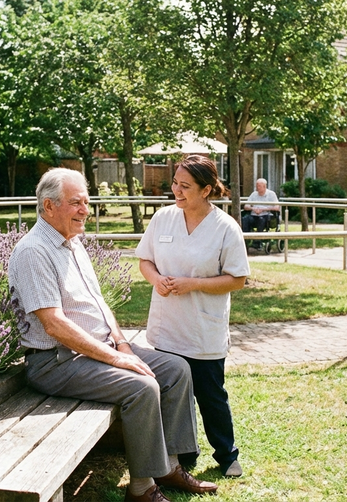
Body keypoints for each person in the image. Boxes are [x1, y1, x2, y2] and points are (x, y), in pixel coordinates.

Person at [8, 168, 217, 502]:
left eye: (86, 202)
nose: (85, 210)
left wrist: (121, 344)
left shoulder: (73, 243)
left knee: (176, 370)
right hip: (56, 363)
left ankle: (169, 467)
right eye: (76, 203)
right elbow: (54, 325)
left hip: (97, 350)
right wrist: (116, 359)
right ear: (48, 206)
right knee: (142, 387)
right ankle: (142, 489)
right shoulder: (34, 251)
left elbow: (99, 304)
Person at [135, 154, 250, 478]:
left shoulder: (225, 228)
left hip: (203, 331)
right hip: (167, 328)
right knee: (173, 397)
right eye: (175, 183)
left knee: (211, 396)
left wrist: (193, 284)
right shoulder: (163, 218)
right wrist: (156, 279)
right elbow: (145, 260)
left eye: (185, 186)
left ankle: (227, 456)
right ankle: (183, 453)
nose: (176, 190)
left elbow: (238, 279)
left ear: (207, 190)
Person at [241, 178, 279, 249]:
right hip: (254, 215)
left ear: (264, 186)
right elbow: (246, 206)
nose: (257, 187)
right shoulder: (253, 194)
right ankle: (245, 240)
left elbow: (277, 207)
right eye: (257, 186)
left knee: (261, 220)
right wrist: (253, 209)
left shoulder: (271, 194)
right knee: (245, 219)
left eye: (259, 186)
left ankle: (257, 242)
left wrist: (263, 209)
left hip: (266, 215)